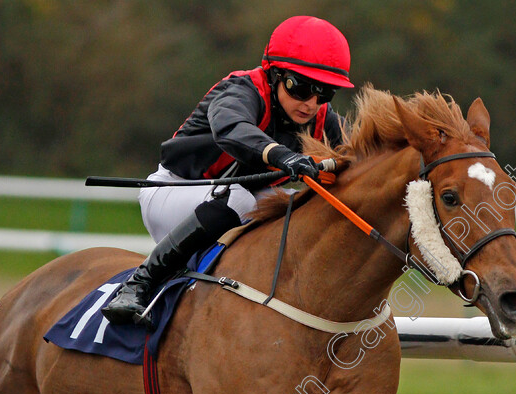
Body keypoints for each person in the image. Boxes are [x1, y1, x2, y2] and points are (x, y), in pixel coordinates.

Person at [101, 16, 353, 325]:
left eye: (324, 93)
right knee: (239, 199)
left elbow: (361, 160)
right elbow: (232, 128)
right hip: (174, 192)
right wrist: (283, 156)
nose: (312, 104)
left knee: (298, 207)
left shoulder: (324, 120)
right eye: (300, 88)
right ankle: (138, 285)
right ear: (274, 74)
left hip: (235, 200)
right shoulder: (240, 90)